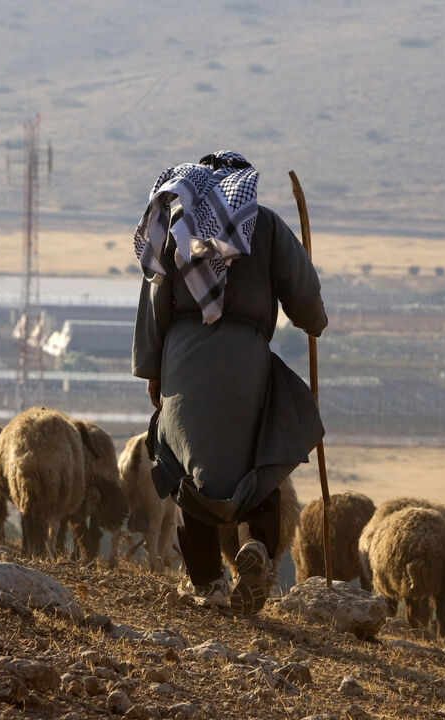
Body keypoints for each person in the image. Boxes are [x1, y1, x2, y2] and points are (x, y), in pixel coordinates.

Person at [131, 150, 327, 615]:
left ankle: (207, 584)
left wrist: (153, 372)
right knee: (257, 466)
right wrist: (313, 321)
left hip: (184, 362)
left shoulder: (176, 225)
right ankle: (256, 545)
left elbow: (153, 300)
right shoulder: (266, 226)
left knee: (184, 470)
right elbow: (303, 292)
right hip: (247, 362)